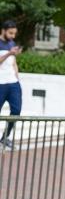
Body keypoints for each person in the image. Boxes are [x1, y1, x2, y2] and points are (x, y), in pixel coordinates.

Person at [0, 20, 22, 150]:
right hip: (0, 83)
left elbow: (14, 63)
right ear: (3, 30)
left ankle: (5, 137)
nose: (13, 36)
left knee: (16, 110)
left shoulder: (12, 43)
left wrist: (17, 78)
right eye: (10, 33)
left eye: (14, 33)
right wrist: (9, 53)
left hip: (13, 83)